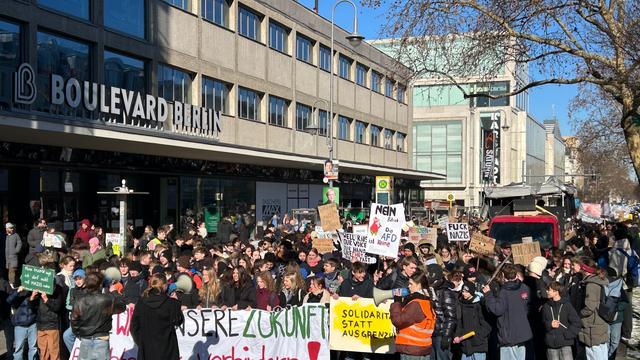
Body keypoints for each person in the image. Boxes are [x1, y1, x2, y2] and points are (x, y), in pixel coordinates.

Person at [482, 263, 533, 360]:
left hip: (509, 333)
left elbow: (497, 310)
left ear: (503, 276)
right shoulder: (524, 288)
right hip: (522, 332)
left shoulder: (504, 291)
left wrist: (488, 294)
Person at [71, 272, 126, 359]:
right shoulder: (108, 298)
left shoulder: (80, 300)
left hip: (89, 338)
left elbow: (74, 320)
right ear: (100, 284)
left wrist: (79, 334)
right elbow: (122, 306)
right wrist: (114, 292)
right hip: (100, 338)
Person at [131, 273, 184, 360]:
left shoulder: (141, 302)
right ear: (165, 286)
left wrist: (142, 342)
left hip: (147, 349)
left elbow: (134, 327)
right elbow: (179, 321)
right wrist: (176, 303)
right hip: (168, 349)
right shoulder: (171, 303)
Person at [390, 270, 436, 360]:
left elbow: (398, 321)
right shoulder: (426, 301)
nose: (408, 286)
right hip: (421, 349)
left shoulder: (416, 304)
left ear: (419, 285)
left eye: (411, 284)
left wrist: (397, 302)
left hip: (411, 350)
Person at [577, 260, 610, 359]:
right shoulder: (599, 280)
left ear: (585, 270)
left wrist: (579, 315)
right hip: (600, 320)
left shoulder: (591, 285)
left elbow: (589, 307)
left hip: (592, 323)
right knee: (602, 349)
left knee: (593, 351)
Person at [541, 281, 580, 360]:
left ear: (556, 291)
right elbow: (542, 323)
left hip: (565, 343)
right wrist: (549, 325)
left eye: (549, 290)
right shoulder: (546, 306)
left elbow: (577, 322)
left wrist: (568, 335)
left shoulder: (567, 305)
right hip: (551, 344)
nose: (547, 291)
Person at [426, 264, 457, 360]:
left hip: (441, 334)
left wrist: (446, 335)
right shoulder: (430, 289)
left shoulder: (445, 292)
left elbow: (451, 316)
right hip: (431, 333)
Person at [7, 286, 38, 360]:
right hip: (20, 325)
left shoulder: (34, 289)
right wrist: (17, 291)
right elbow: (8, 301)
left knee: (33, 348)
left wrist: (33, 297)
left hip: (32, 324)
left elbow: (36, 306)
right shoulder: (16, 290)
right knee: (18, 349)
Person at [5, 222, 22, 287]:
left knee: (12, 270)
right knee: (8, 270)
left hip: (13, 256)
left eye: (12, 228)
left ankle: (12, 283)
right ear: (7, 229)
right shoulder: (5, 236)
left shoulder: (16, 235)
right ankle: (10, 283)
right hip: (6, 257)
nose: (12, 229)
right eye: (10, 228)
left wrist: (16, 250)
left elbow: (19, 243)